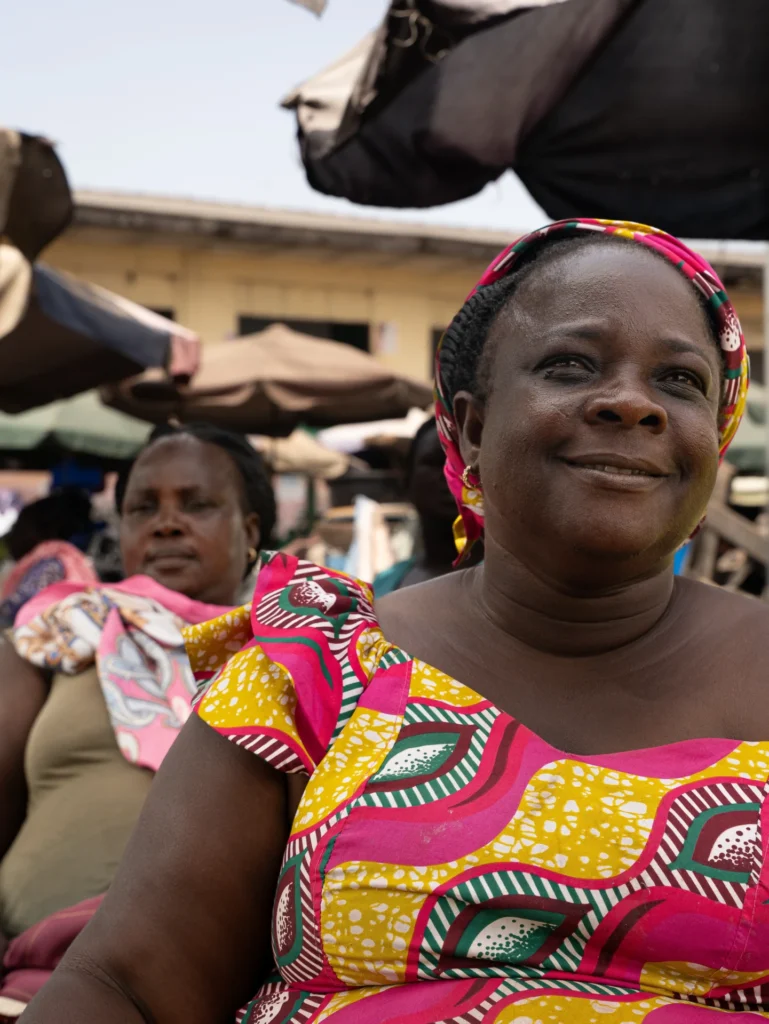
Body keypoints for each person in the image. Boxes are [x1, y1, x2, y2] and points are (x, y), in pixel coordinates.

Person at [22, 220, 769, 1024]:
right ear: (472, 427)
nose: (630, 401)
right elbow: (129, 987)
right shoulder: (320, 659)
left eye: (680, 380)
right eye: (569, 365)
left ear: (714, 438)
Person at [0, 423, 275, 1017]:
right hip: (34, 980)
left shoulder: (299, 655)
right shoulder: (57, 635)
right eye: (142, 508)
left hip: (230, 987)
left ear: (250, 531)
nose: (167, 523)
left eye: (197, 505)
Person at [374, 418, 473, 595]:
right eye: (435, 462)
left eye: (463, 463)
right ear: (406, 479)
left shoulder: (514, 587)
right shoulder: (384, 584)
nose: (450, 474)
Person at [0, 489, 100, 628]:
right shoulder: (70, 560)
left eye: (18, 526)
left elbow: (10, 614)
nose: (14, 535)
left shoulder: (51, 565)